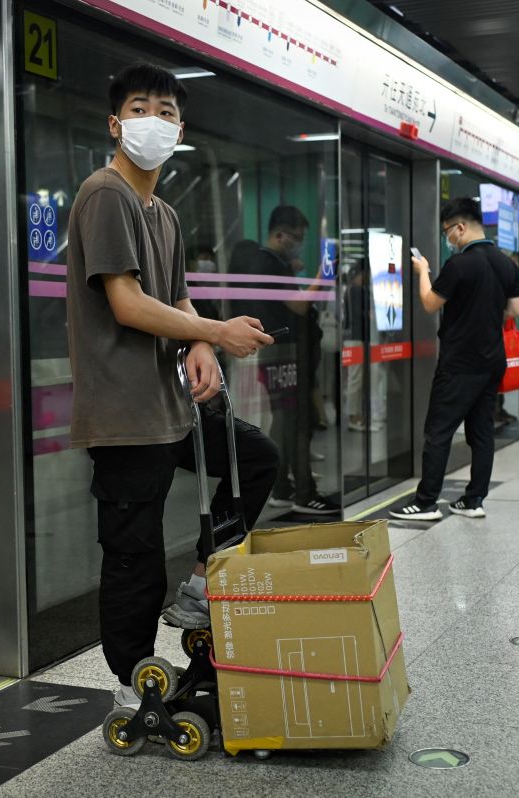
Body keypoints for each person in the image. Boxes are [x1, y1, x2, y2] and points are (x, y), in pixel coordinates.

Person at [65, 63, 278, 708]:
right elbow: (127, 303)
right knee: (133, 554)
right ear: (115, 123)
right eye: (139, 109)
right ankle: (131, 680)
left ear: (179, 129)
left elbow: (176, 295)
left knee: (258, 458)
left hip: (171, 405)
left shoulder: (164, 212)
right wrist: (216, 327)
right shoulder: (105, 195)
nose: (151, 121)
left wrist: (200, 339)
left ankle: (199, 580)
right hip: (125, 412)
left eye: (164, 112)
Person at [391, 197, 519, 521]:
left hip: (460, 361)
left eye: (448, 231)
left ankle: (425, 503)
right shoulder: (507, 264)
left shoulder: (460, 264)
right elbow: (516, 311)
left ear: (460, 228)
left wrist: (424, 271)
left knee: (439, 430)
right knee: (482, 432)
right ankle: (473, 499)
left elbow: (429, 303)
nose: (448, 237)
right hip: (492, 360)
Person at [230, 206, 338, 515]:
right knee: (294, 421)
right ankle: (301, 492)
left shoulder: (272, 262)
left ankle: (284, 486)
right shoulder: (270, 263)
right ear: (281, 235)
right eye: (298, 238)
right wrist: (323, 276)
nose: (300, 243)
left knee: (287, 418)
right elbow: (300, 307)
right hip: (283, 353)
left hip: (280, 351)